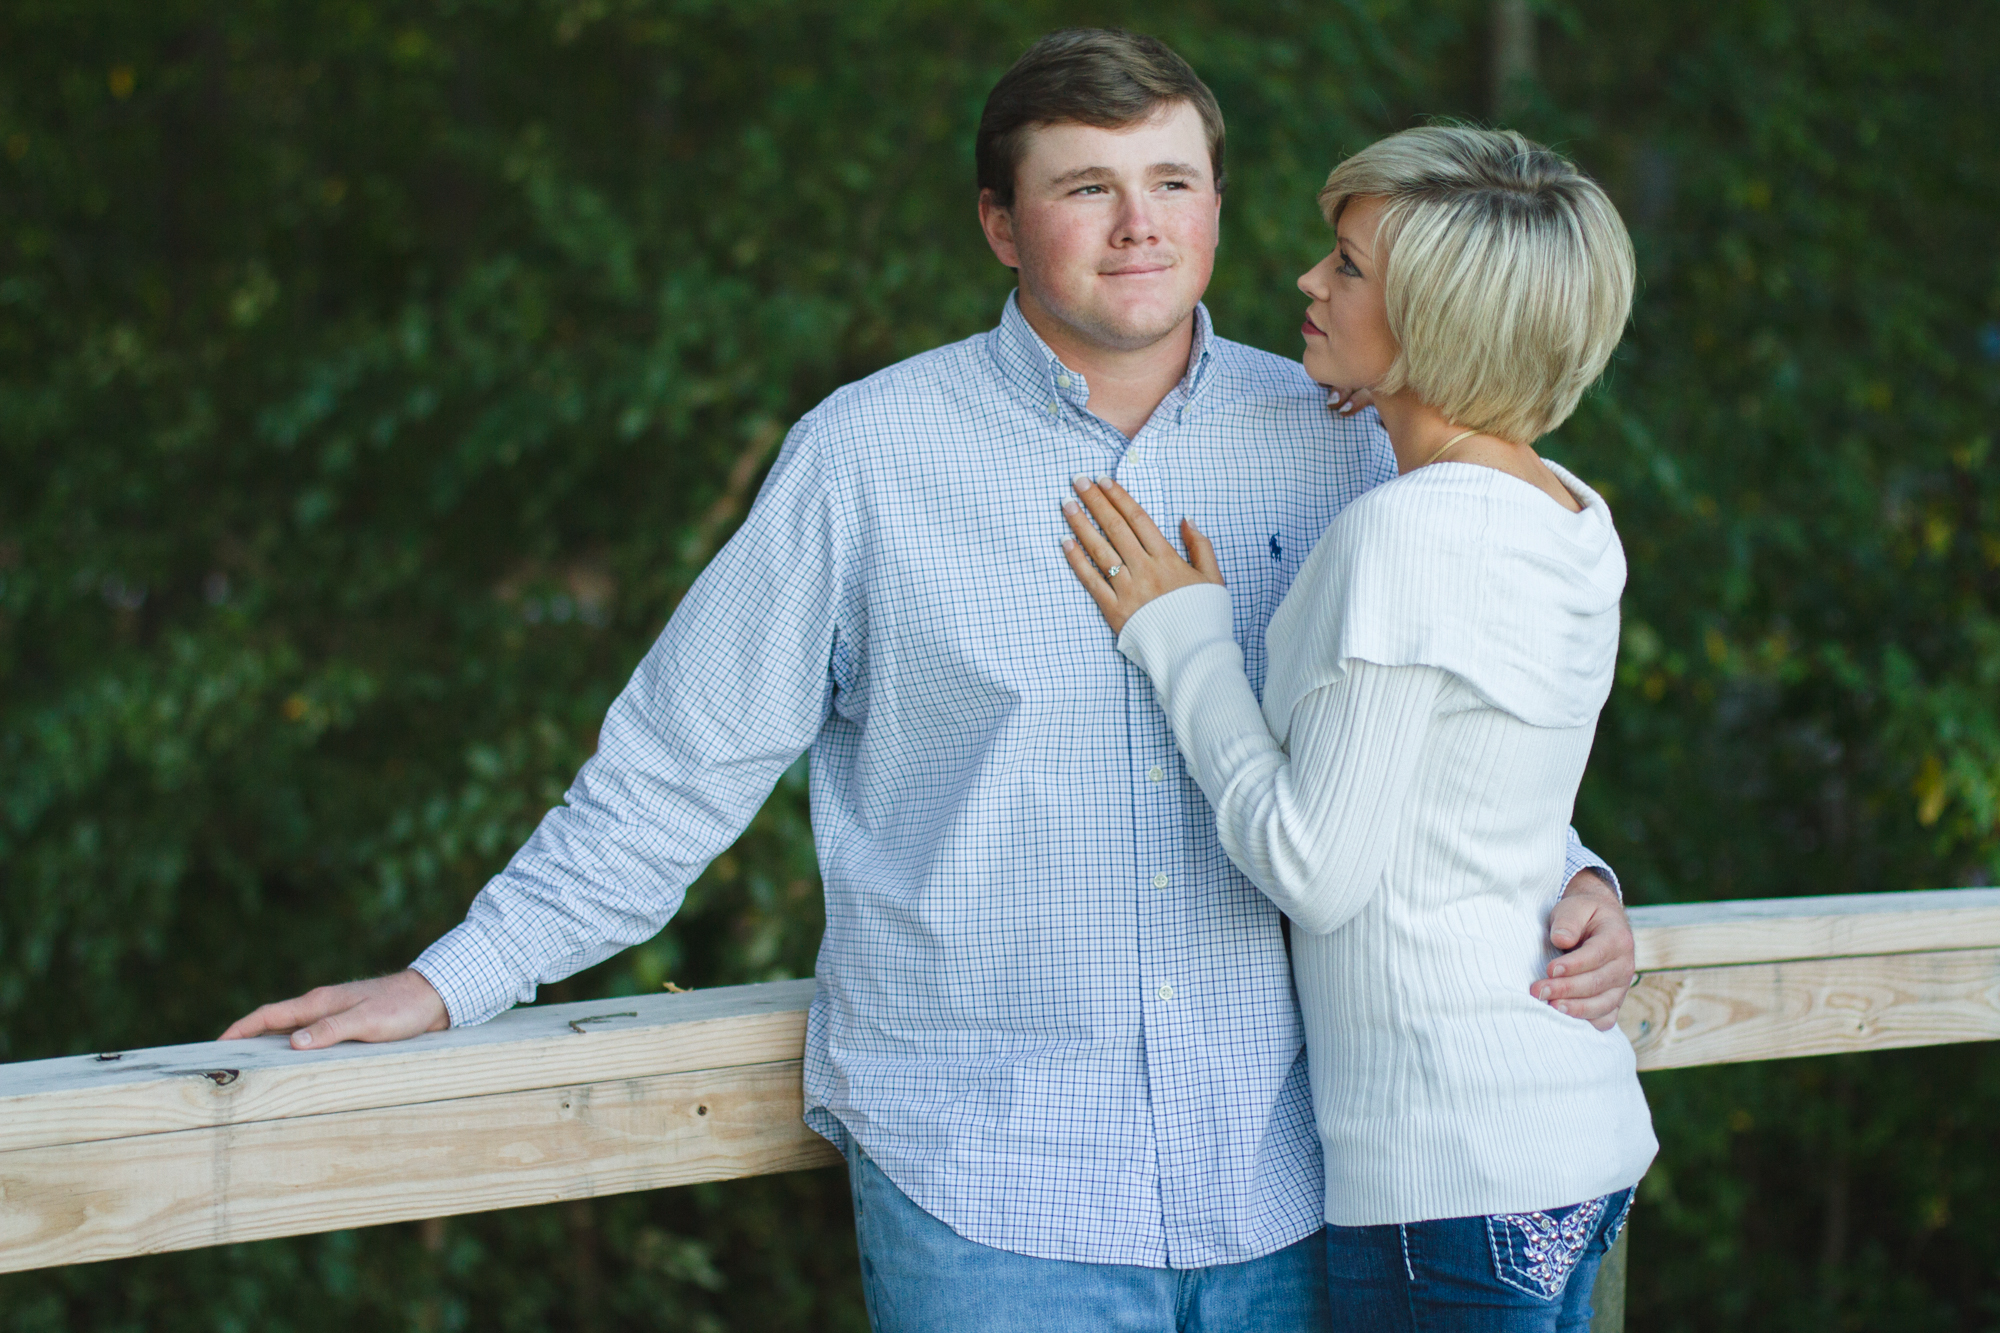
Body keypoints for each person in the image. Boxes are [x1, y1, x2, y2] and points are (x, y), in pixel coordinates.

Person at [223, 33, 1638, 1333]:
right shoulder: (869, 461)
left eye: (1174, 180)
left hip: (1288, 1187)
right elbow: (677, 765)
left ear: (1218, 202)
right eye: (1086, 186)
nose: (1142, 223)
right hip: (989, 1200)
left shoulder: (1343, 439)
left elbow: (1430, 725)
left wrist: (1571, 881)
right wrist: (454, 976)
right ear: (999, 224)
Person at [1056, 126, 1655, 1331]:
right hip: (1567, 1137)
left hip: (1454, 1181)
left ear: (1435, 321)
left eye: (1347, 268)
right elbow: (1475, 783)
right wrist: (1585, 868)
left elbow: (1311, 868)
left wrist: (1183, 643)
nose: (1306, 284)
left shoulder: (1406, 536)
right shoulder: (1567, 514)